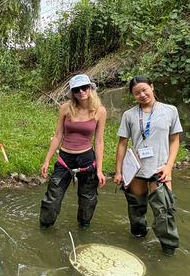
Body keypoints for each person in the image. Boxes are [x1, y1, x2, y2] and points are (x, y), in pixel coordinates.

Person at [114, 76, 182, 256]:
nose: (142, 95)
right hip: (135, 169)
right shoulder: (129, 115)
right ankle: (137, 240)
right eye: (137, 93)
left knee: (164, 212)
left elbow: (174, 140)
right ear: (133, 95)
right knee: (136, 209)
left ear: (152, 87)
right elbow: (122, 143)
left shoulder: (170, 111)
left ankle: (168, 251)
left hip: (160, 169)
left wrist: (169, 167)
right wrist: (119, 171)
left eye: (145, 90)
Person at [40, 74, 107, 230]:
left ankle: (84, 227)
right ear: (72, 92)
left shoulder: (100, 111)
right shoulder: (65, 108)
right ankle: (44, 226)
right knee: (52, 197)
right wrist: (47, 160)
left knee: (88, 199)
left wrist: (100, 170)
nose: (81, 91)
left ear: (91, 88)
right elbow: (58, 135)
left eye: (85, 87)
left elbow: (99, 141)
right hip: (65, 158)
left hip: (87, 159)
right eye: (77, 89)